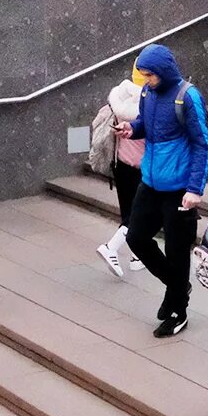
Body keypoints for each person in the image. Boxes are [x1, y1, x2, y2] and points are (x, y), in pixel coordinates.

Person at [116, 43, 208, 338]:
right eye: (143, 75)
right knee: (136, 237)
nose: (146, 80)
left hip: (180, 188)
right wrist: (133, 129)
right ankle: (177, 286)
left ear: (163, 71)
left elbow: (203, 144)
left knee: (177, 249)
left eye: (150, 75)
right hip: (151, 181)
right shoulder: (148, 93)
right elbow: (147, 124)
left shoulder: (188, 96)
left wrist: (195, 188)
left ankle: (177, 311)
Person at [92, 78, 148, 276]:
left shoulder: (119, 96)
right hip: (142, 169)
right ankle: (111, 248)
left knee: (128, 211)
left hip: (119, 164)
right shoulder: (149, 104)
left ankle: (137, 256)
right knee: (139, 215)